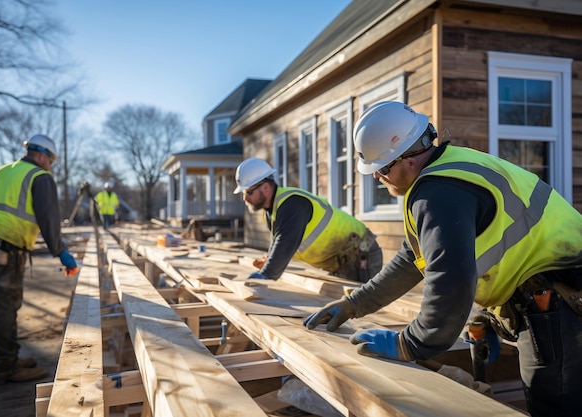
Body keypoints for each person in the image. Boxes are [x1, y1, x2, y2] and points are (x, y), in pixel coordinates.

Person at [303, 101, 582, 417]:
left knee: (555, 405)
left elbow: (450, 283)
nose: (378, 179)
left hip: (558, 300)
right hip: (557, 289)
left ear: (407, 159)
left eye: (381, 169)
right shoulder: (452, 168)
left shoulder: (436, 194)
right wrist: (355, 303)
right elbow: (414, 260)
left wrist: (411, 344)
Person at [0, 134, 78, 385]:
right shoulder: (40, 177)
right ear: (41, 156)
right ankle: (6, 367)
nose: (50, 166)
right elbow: (48, 218)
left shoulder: (1, 171)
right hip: (6, 246)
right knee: (5, 306)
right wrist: (60, 251)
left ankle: (4, 357)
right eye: (51, 160)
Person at [233, 157, 383, 282]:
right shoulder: (273, 212)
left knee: (364, 312)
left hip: (361, 254)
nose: (245, 198)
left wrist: (266, 275)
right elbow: (279, 242)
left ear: (265, 187)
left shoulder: (292, 204)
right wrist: (268, 262)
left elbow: (285, 241)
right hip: (341, 261)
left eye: (248, 192)